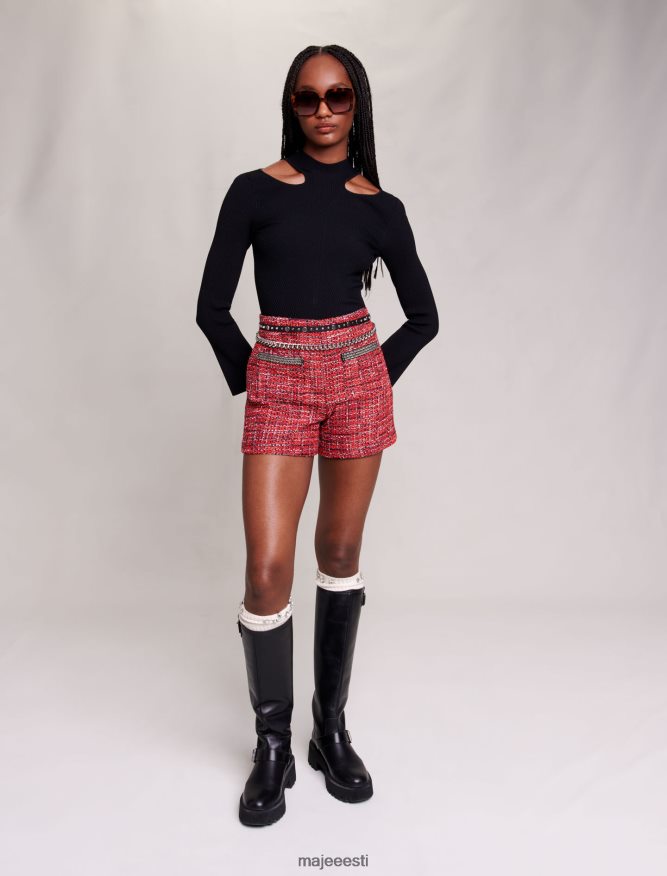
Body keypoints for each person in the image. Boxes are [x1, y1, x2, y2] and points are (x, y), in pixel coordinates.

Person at [195, 44, 439, 827]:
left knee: (338, 551)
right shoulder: (253, 191)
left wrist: (368, 373)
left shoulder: (379, 207)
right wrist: (257, 375)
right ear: (290, 105)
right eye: (307, 97)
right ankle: (271, 746)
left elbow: (424, 317)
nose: (323, 110)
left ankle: (328, 732)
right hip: (279, 381)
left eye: (337, 96)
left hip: (356, 382)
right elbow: (210, 307)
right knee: (267, 569)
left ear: (357, 104)